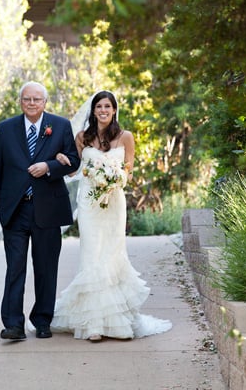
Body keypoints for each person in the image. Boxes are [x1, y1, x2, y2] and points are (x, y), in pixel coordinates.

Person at [50, 90, 172, 342]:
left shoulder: (125, 137)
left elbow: (129, 170)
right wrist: (62, 158)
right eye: (99, 107)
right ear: (93, 111)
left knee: (112, 254)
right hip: (89, 204)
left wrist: (114, 178)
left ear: (114, 110)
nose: (103, 110)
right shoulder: (82, 137)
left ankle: (117, 321)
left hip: (114, 202)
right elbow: (74, 171)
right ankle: (93, 323)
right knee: (92, 255)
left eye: (107, 106)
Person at [0, 81, 80, 341]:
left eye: (37, 99)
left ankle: (43, 320)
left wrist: (49, 166)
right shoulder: (5, 129)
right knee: (15, 268)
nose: (32, 103)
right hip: (15, 209)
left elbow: (73, 160)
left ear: (45, 102)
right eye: (27, 99)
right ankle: (13, 324)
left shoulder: (60, 125)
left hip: (48, 208)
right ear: (20, 102)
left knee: (46, 268)